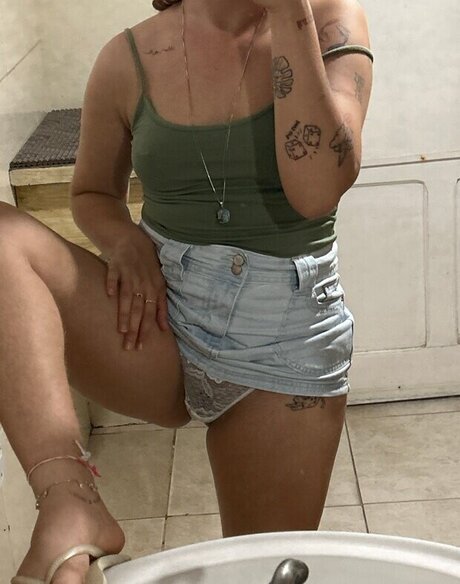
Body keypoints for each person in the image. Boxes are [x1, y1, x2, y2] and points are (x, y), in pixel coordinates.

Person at [1, 0, 373, 581]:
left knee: (259, 570)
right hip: (158, 317)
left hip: (282, 344)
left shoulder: (330, 22)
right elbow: (92, 193)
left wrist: (289, 13)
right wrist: (122, 240)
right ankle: (68, 499)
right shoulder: (126, 57)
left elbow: (317, 190)